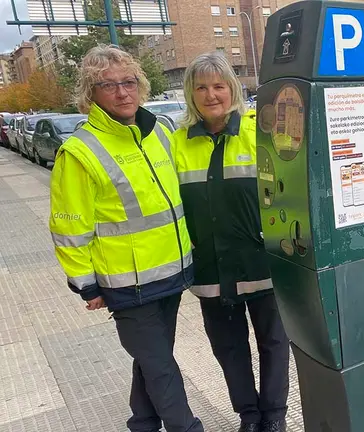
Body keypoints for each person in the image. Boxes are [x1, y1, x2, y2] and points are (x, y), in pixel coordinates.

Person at [49, 45, 202, 432]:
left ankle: (143, 424)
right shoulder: (80, 152)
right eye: (108, 85)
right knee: (161, 366)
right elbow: (69, 228)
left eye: (129, 82)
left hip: (171, 272)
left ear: (141, 85)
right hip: (126, 282)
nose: (122, 93)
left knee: (152, 359)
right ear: (91, 94)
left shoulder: (159, 132)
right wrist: (85, 284)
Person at [171, 52, 290, 432]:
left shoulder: (261, 133)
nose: (211, 95)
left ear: (233, 89)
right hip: (209, 268)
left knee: (273, 344)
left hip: (262, 263)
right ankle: (249, 416)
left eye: (219, 85)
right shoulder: (177, 144)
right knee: (229, 349)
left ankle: (273, 416)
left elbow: (288, 195)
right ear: (190, 94)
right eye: (201, 87)